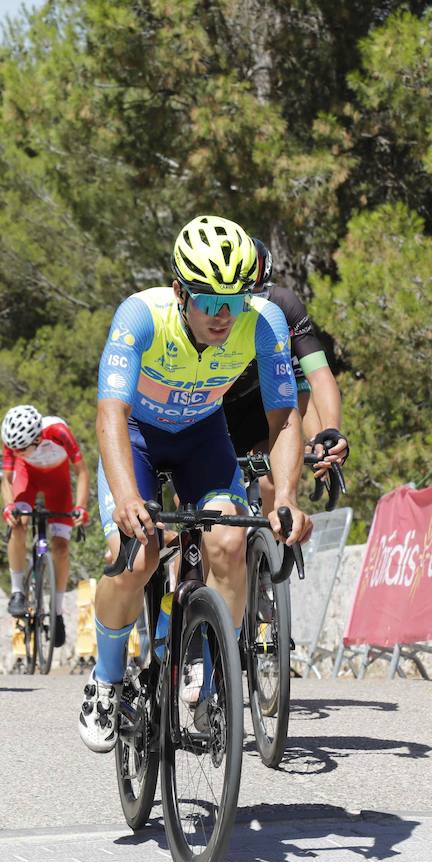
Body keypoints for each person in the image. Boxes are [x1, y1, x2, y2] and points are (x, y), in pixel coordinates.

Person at [81, 214, 311, 753]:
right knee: (134, 556)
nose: (223, 316)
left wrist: (289, 497)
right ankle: (106, 679)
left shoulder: (265, 322)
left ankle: (208, 672)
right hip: (136, 436)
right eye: (210, 301)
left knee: (229, 541)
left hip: (202, 435)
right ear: (181, 292)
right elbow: (109, 413)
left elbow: (284, 420)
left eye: (235, 301)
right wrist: (128, 497)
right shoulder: (140, 316)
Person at [222, 237, 349, 488]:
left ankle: (276, 523)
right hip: (213, 406)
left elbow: (314, 378)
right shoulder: (212, 313)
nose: (252, 308)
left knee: (272, 479)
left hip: (258, 407)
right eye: (242, 299)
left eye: (259, 295)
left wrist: (327, 434)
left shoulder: (284, 306)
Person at [0, 405, 89, 632]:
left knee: (61, 547)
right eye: (13, 448)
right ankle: (18, 591)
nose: (15, 451)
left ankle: (57, 611)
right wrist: (9, 506)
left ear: (38, 439)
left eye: (21, 448)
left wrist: (81, 507)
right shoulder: (13, 440)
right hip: (27, 478)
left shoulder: (59, 432)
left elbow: (82, 472)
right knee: (17, 523)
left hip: (58, 484)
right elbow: (7, 478)